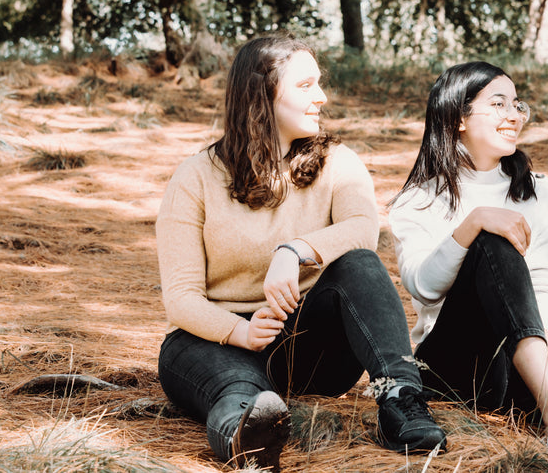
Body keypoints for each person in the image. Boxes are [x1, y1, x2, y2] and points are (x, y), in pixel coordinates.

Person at [155, 34, 445, 473]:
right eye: (306, 86)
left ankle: (401, 399)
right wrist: (241, 332)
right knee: (239, 391)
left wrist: (295, 251)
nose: (322, 97)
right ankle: (248, 442)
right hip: (212, 341)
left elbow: (363, 231)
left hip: (308, 344)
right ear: (262, 94)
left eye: (319, 84)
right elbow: (180, 297)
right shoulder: (195, 177)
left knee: (359, 265)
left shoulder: (338, 162)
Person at [389, 61, 548, 473]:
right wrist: (473, 223)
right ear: (459, 116)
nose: (514, 115)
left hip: (523, 373)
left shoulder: (542, 192)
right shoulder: (418, 199)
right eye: (498, 104)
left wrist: (539, 363)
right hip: (456, 370)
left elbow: (545, 283)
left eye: (517, 104)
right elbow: (424, 287)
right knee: (493, 242)